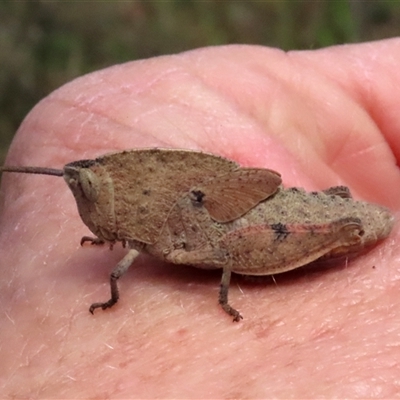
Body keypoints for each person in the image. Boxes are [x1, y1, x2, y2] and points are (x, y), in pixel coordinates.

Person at [1, 41, 399, 398]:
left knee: (267, 238)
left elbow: (222, 250)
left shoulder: (165, 230)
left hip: (272, 230)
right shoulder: (148, 219)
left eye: (89, 190)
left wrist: (223, 302)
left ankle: (335, 231)